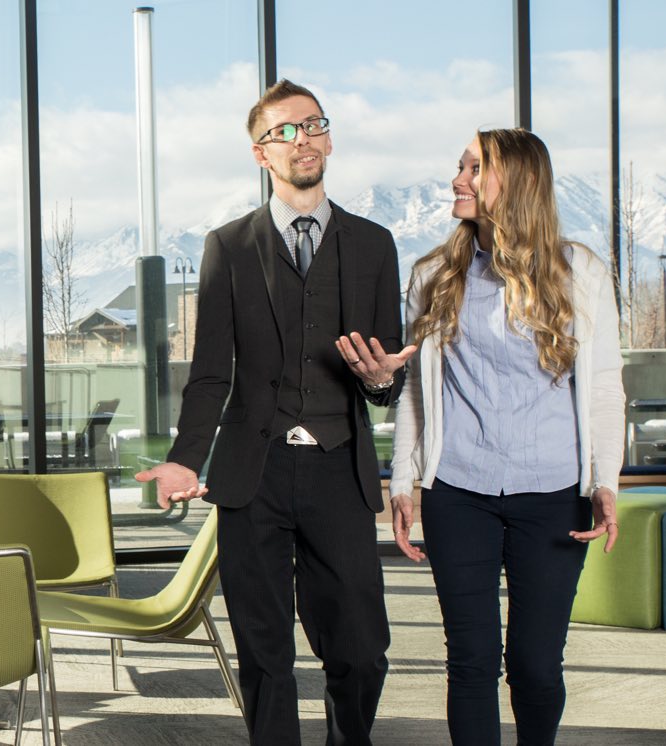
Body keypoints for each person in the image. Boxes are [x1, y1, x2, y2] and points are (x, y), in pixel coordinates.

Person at [136, 79, 413, 745]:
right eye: (285, 131)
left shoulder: (375, 245)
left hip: (337, 471)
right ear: (262, 153)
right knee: (265, 656)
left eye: (313, 125)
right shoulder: (228, 246)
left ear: (329, 137)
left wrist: (380, 386)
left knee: (360, 648)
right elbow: (210, 372)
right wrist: (183, 458)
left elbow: (386, 378)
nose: (303, 139)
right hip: (250, 475)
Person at [386, 128, 623, 745]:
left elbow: (603, 388)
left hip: (552, 491)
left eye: (473, 168)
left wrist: (605, 481)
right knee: (470, 662)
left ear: (514, 183)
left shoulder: (581, 272)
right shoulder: (434, 274)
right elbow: (416, 389)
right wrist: (404, 480)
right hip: (457, 490)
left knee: (536, 666)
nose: (457, 179)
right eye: (460, 166)